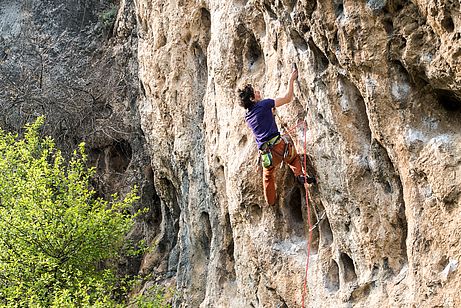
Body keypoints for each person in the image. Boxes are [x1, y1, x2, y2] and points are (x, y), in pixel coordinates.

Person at [238, 69, 315, 206]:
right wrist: (291, 80)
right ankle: (299, 175)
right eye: (255, 92)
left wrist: (270, 114)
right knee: (294, 158)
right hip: (280, 147)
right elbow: (287, 98)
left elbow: (261, 122)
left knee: (268, 178)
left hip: (267, 155)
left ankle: (271, 201)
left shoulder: (248, 117)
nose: (258, 92)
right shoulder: (265, 104)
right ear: (252, 98)